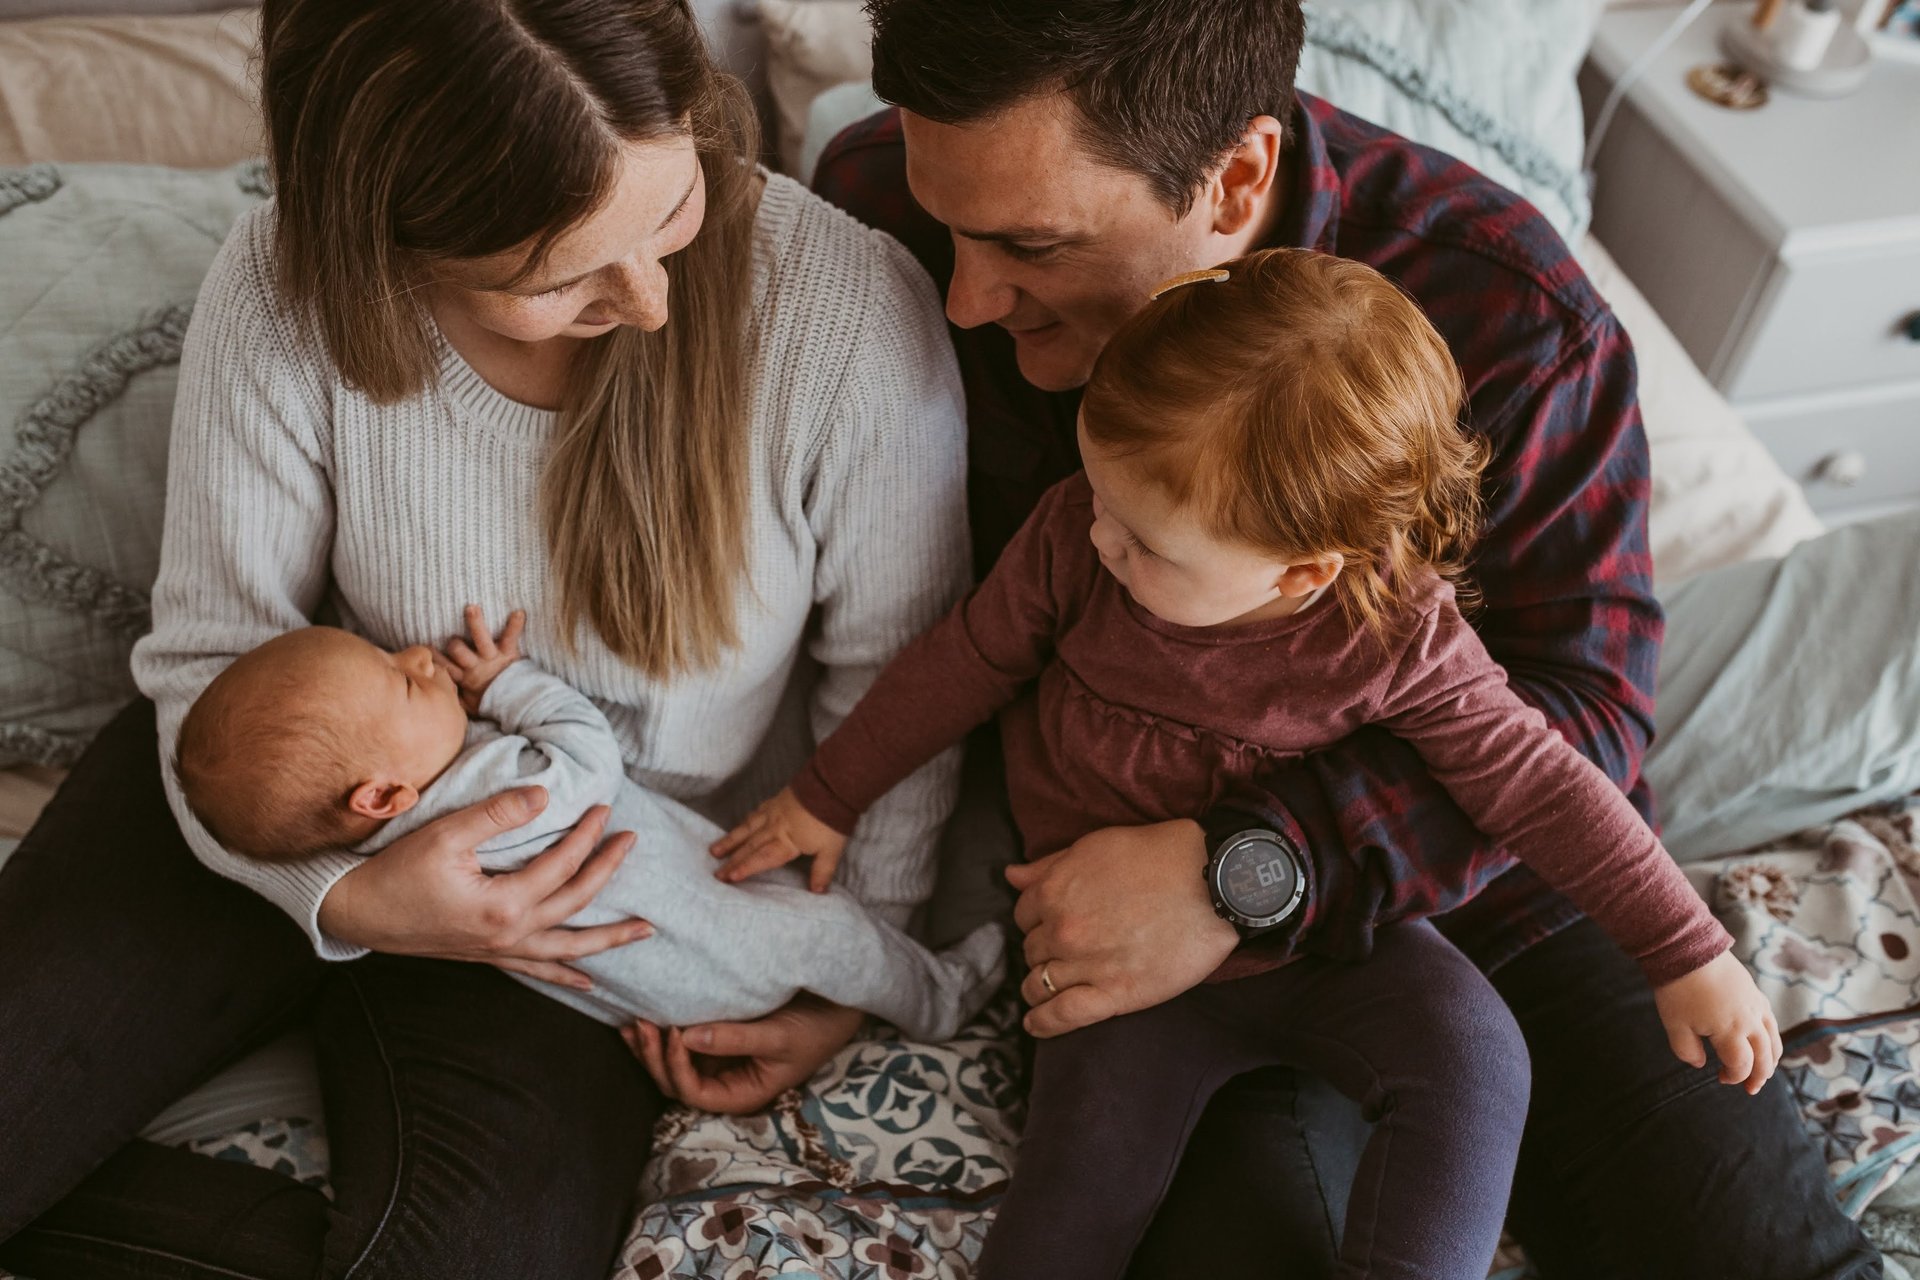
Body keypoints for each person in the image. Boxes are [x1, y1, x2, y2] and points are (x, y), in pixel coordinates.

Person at [812, 0, 1885, 1274]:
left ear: (1239, 178)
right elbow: (882, 622)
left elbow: (1585, 718)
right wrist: (831, 949)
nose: (966, 296)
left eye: (1030, 244)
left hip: (1480, 866)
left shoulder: (1508, 306)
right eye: (949, 225)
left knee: (1749, 1247)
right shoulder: (871, 205)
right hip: (1132, 885)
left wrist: (1242, 867)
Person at [0, 0, 972, 1275]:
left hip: (590, 904)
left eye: (673, 209)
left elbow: (902, 681)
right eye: (556, 277)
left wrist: (852, 970)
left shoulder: (846, 318)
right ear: (390, 238)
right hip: (268, 796)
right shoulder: (286, 283)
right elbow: (211, 657)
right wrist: (351, 892)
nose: (649, 301)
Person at [715, 249, 1777, 1279]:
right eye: (1099, 495)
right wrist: (827, 793)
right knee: (1077, 1194)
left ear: (1303, 572)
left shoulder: (1395, 632)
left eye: (1146, 542)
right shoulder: (1075, 539)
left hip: (1321, 945)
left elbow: (1543, 785)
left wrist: (1685, 951)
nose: (1101, 538)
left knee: (1479, 1056)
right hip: (1115, 966)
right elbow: (964, 662)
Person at [174, 612, 999, 1039]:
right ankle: (940, 1000)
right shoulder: (495, 791)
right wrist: (509, 684)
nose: (418, 655)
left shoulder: (398, 856)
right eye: (403, 680)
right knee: (838, 938)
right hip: (728, 944)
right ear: (382, 796)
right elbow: (588, 757)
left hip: (653, 990)